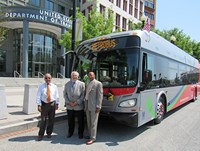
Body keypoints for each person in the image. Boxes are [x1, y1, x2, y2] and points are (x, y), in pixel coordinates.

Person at [36, 73, 59, 141]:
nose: (47, 79)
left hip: (52, 103)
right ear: (44, 79)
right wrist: (39, 105)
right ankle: (41, 134)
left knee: (51, 120)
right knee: (43, 120)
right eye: (46, 78)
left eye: (49, 78)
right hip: (44, 104)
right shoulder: (41, 86)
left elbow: (56, 95)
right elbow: (38, 96)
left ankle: (49, 133)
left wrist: (57, 104)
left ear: (51, 78)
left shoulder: (54, 86)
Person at [63, 71, 85, 139]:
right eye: (73, 75)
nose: (74, 76)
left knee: (80, 121)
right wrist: (68, 102)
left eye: (75, 75)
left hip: (78, 105)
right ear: (71, 76)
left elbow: (83, 95)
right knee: (70, 120)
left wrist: (77, 102)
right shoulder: (67, 84)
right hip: (69, 106)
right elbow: (65, 94)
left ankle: (80, 133)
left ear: (77, 76)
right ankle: (70, 132)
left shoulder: (82, 84)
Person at [85, 72, 103, 145]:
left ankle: (93, 138)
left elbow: (100, 96)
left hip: (94, 106)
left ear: (94, 75)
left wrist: (98, 106)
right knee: (88, 121)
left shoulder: (98, 84)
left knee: (93, 123)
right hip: (87, 105)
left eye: (91, 75)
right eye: (89, 75)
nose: (90, 76)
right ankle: (90, 135)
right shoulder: (87, 82)